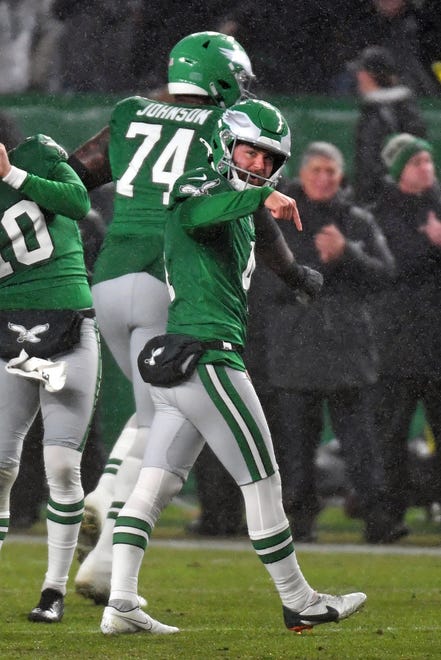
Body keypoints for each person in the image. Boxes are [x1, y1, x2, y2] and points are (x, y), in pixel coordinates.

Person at [99, 98, 366, 636]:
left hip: (184, 366)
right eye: (252, 152)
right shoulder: (200, 186)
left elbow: (257, 235)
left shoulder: (240, 202)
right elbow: (199, 213)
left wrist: (295, 276)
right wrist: (261, 194)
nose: (260, 166)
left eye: (270, 160)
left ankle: (121, 604)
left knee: (154, 488)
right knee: (263, 482)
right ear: (225, 144)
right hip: (209, 358)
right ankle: (300, 600)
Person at [68, 31, 257, 605]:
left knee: (153, 411)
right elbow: (242, 202)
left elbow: (74, 177)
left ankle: (102, 492)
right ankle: (106, 565)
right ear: (221, 77)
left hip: (108, 277)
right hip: (165, 276)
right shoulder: (226, 129)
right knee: (169, 418)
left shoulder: (129, 113)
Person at [256, 141, 399, 544]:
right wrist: (317, 272)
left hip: (347, 350)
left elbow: (386, 275)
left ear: (341, 176)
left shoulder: (356, 221)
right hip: (294, 348)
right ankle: (299, 523)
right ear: (302, 174)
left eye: (331, 172)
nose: (323, 179)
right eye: (316, 170)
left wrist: (347, 253)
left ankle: (379, 519)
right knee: (296, 446)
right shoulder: (279, 219)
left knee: (362, 446)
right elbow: (266, 282)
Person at [0, 133, 100, 622]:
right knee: (0, 466)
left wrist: (11, 176)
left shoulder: (37, 153)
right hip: (8, 336)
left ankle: (53, 590)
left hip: (69, 324)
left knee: (61, 466)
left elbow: (78, 200)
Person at [370, 132, 441, 532]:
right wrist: (433, 245)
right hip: (397, 345)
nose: (427, 168)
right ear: (400, 171)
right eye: (417, 163)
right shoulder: (383, 211)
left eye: (429, 161)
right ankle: (388, 516)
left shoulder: (436, 203)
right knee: (389, 436)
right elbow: (395, 262)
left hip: (435, 344)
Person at [349, 45, 427, 206]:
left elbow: (376, 165)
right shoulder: (383, 108)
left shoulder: (393, 111)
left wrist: (375, 197)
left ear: (370, 74)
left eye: (361, 71)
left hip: (390, 205)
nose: (358, 76)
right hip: (381, 202)